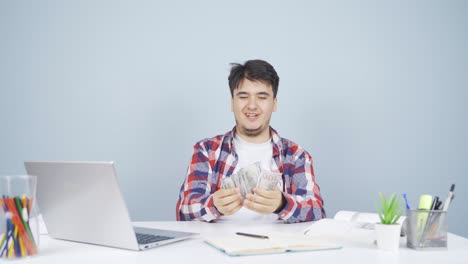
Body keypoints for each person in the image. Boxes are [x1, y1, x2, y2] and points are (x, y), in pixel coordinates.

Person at [176, 59, 325, 223]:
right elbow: (184, 210)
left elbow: (317, 211)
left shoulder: (297, 156)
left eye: (262, 97)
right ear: (232, 102)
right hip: (219, 245)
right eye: (243, 96)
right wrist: (214, 205)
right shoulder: (206, 151)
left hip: (277, 246)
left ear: (274, 104)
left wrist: (283, 203)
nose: (252, 106)